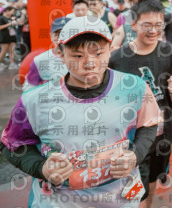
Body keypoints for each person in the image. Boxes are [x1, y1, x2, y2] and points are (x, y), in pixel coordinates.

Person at [0, 16, 160, 206]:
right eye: (77, 56)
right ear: (61, 53)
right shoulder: (34, 100)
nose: (90, 63)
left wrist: (135, 156)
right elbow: (12, 145)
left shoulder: (135, 87)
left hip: (119, 200)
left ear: (110, 50)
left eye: (98, 53)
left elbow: (149, 124)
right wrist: (42, 168)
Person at [109, 0, 172, 208]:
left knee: (152, 180)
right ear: (133, 25)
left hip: (162, 132)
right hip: (132, 136)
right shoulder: (117, 59)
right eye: (147, 25)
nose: (153, 31)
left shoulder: (169, 53)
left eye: (158, 25)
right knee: (134, 190)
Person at [22, 17, 71, 91]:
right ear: (51, 36)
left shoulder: (84, 58)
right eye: (57, 34)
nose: (60, 37)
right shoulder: (40, 60)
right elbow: (30, 87)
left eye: (65, 33)